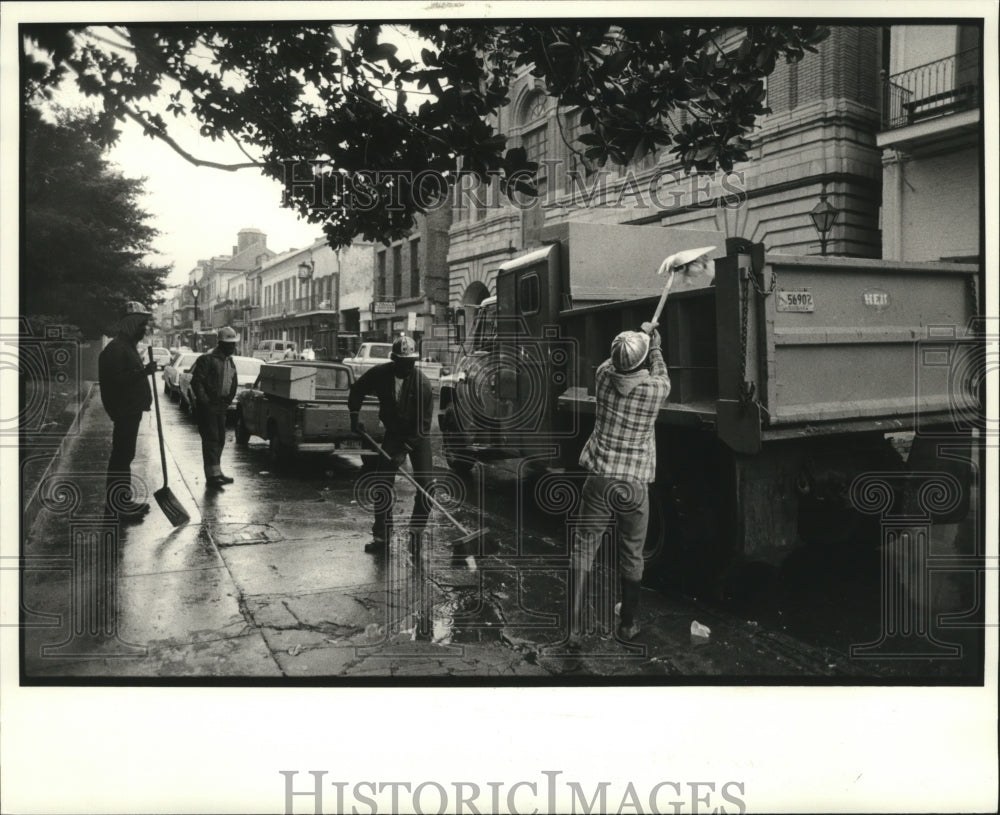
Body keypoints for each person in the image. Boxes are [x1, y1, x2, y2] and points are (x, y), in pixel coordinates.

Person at [570, 321, 670, 643]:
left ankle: (572, 629)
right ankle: (627, 624)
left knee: (584, 548)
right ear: (641, 363)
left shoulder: (601, 378)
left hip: (600, 478)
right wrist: (652, 342)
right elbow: (661, 373)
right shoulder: (655, 391)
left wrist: (633, 343)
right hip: (634, 484)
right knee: (632, 553)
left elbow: (611, 363)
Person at [348, 335, 434, 554]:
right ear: (394, 359)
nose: (407, 366)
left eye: (411, 362)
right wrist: (354, 415)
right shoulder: (381, 373)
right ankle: (382, 537)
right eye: (403, 362)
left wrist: (404, 452)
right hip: (395, 433)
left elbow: (423, 426)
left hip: (417, 435)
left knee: (426, 486)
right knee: (382, 484)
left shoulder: (423, 384)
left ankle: (416, 531)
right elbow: (357, 389)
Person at [98, 301, 158, 520]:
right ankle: (117, 505)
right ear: (130, 324)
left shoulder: (127, 347)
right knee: (121, 457)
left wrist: (143, 371)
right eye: (141, 324)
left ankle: (122, 501)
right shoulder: (116, 349)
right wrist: (143, 372)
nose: (144, 328)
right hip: (123, 411)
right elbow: (117, 381)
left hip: (130, 410)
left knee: (125, 456)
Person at [189, 326, 240, 489]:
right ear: (221, 344)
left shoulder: (229, 361)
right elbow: (196, 381)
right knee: (211, 440)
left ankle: (216, 472)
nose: (233, 347)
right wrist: (205, 402)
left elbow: (233, 382)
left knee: (220, 440)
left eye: (233, 344)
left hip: (221, 405)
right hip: (209, 406)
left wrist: (227, 401)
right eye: (229, 344)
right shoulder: (207, 359)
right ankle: (212, 476)